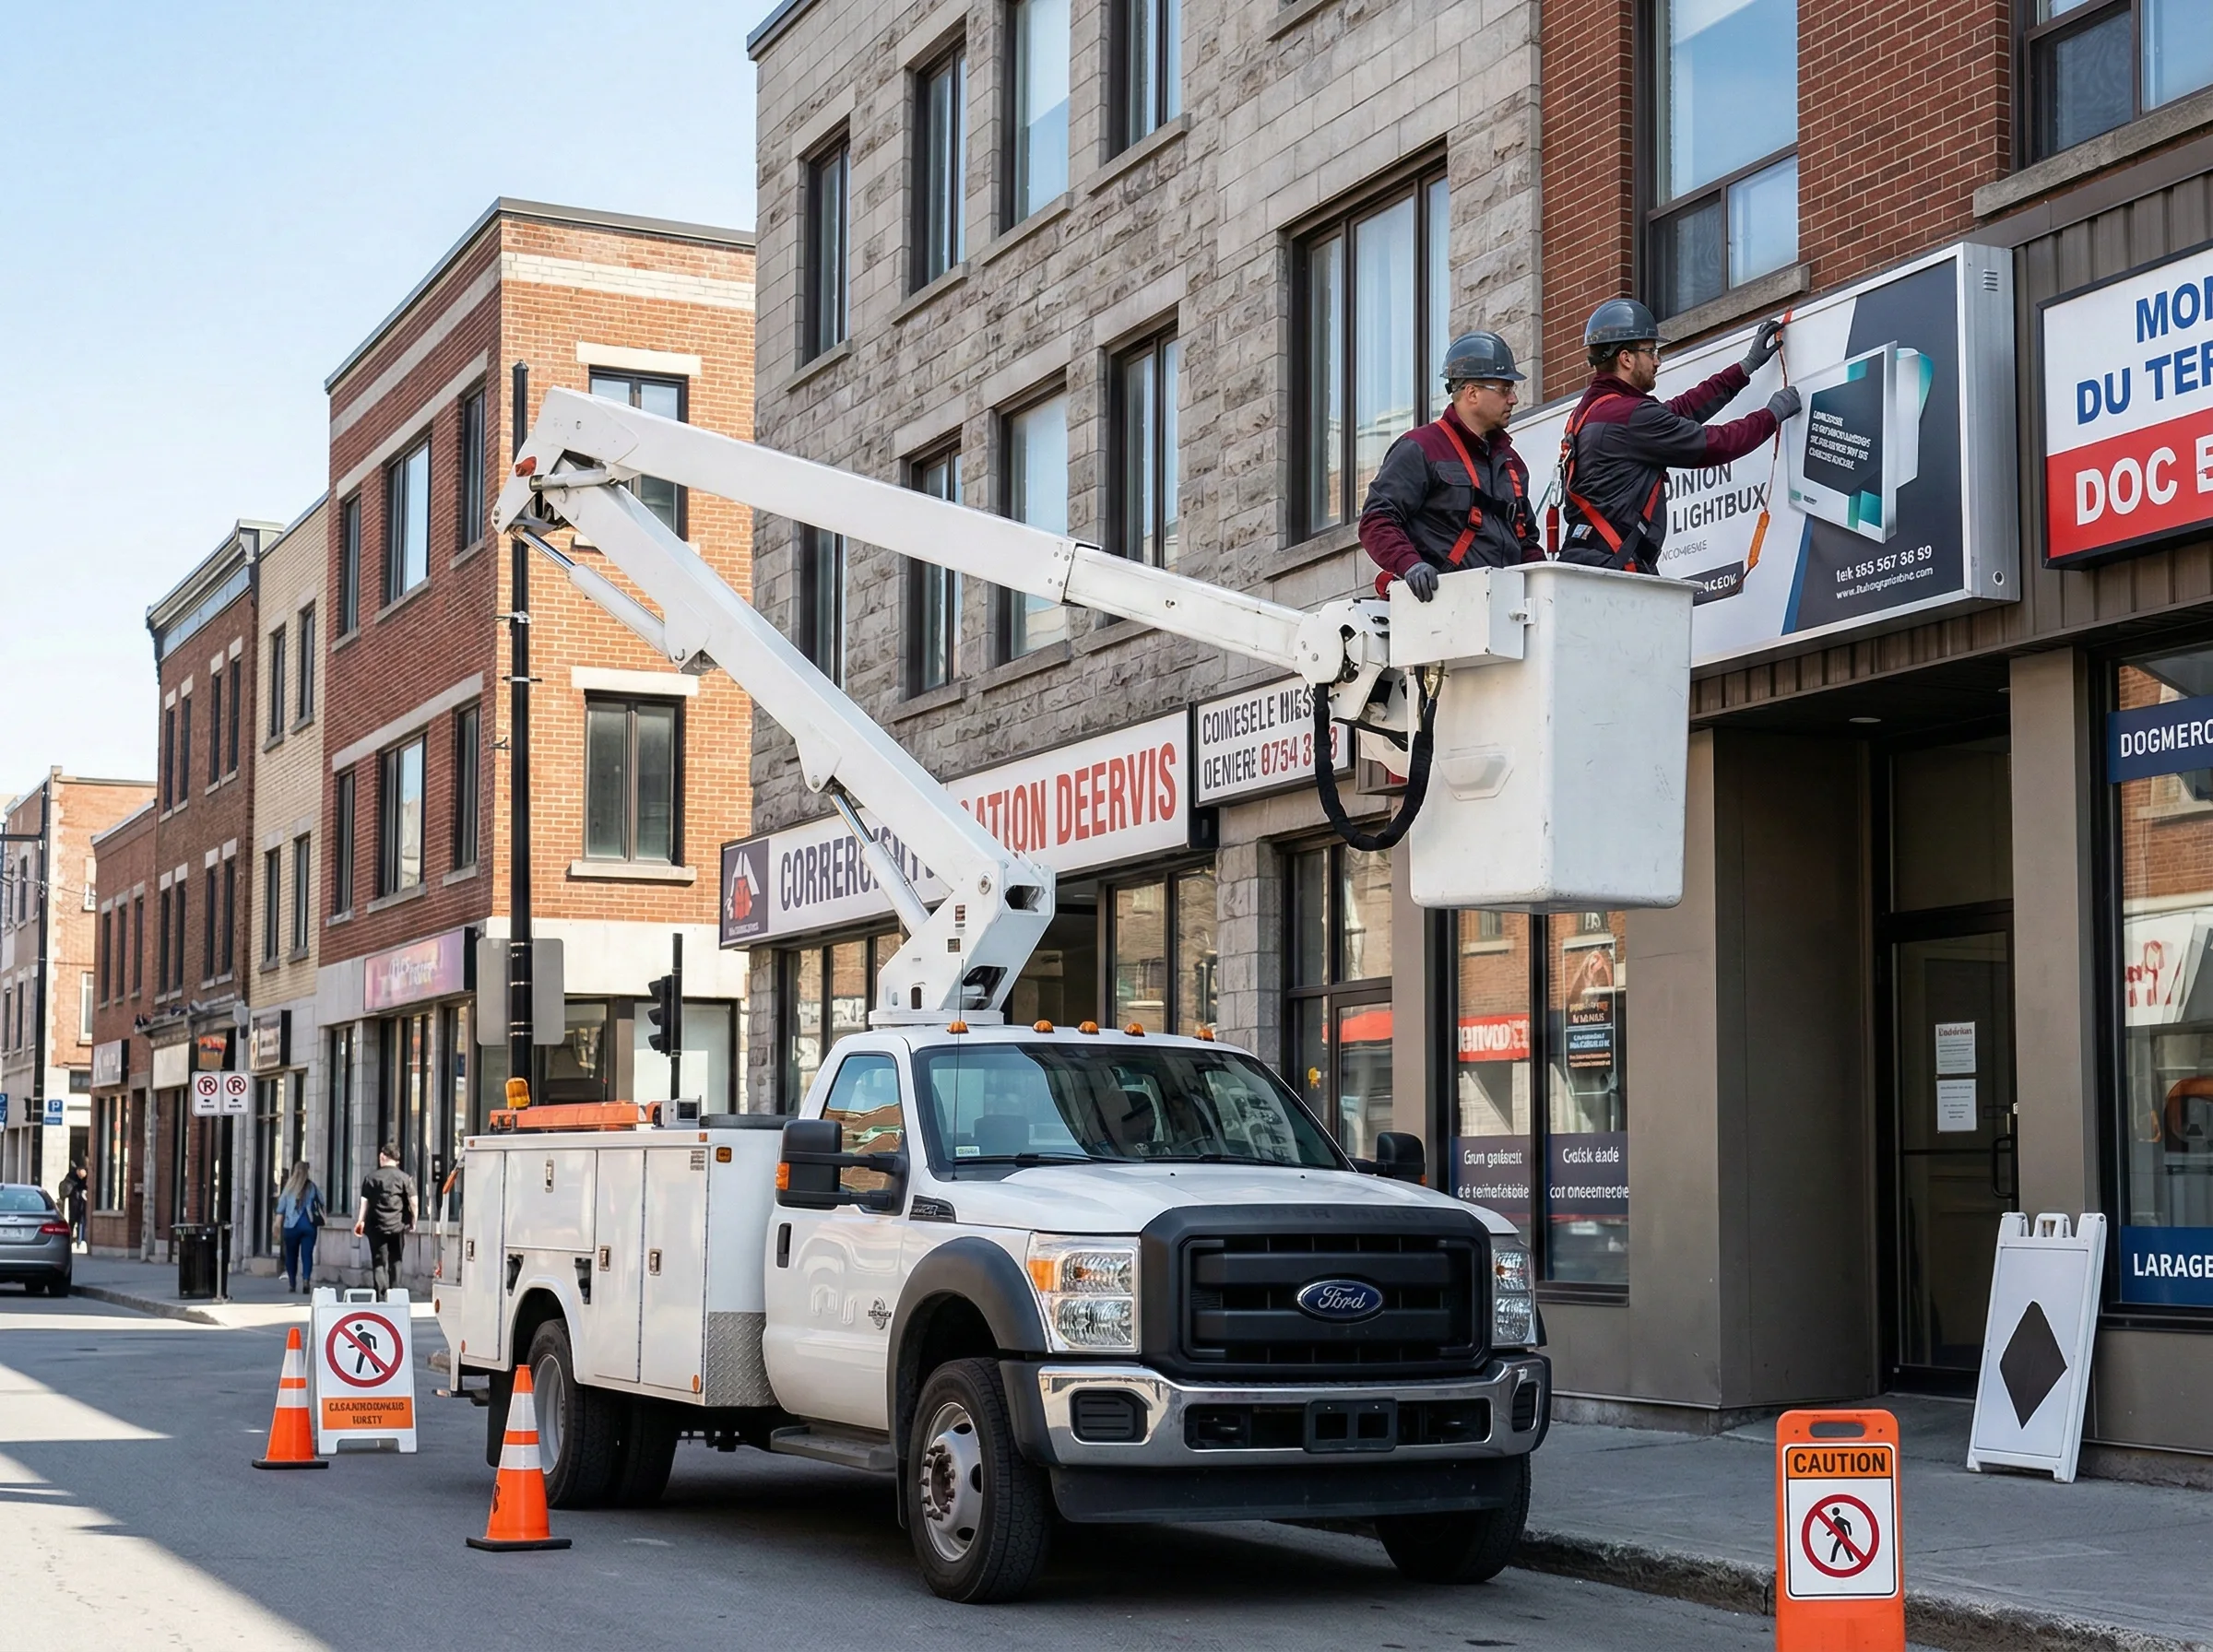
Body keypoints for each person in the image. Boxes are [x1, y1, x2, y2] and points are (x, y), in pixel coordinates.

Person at [1556, 299, 1802, 574]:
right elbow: (1717, 444)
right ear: (1626, 358)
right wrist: (1772, 415)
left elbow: (1680, 410)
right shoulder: (1627, 416)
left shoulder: (1593, 412)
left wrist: (1745, 368)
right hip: (1615, 572)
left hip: (1595, 564)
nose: (1657, 361)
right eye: (1651, 351)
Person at [1359, 330, 1541, 602]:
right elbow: (1377, 521)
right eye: (1505, 390)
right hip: (1440, 611)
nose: (1513, 399)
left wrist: (1547, 585)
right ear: (1472, 393)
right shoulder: (1422, 448)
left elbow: (1526, 543)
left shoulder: (1513, 465)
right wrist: (1410, 565)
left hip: (1504, 614)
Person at [353, 1144, 417, 1297]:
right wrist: (414, 1220)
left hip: (376, 1226)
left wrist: (360, 1220)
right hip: (398, 1225)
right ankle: (395, 1294)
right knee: (396, 1259)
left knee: (378, 1261)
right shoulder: (405, 1178)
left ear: (382, 1157)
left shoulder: (371, 1178)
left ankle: (381, 1294)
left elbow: (364, 1202)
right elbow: (413, 1201)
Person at [275, 1160, 325, 1294]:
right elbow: (322, 1201)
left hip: (291, 1227)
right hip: (308, 1225)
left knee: (291, 1256)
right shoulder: (312, 1187)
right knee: (307, 1255)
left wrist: (277, 1227)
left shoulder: (288, 1188)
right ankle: (306, 1280)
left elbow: (281, 1210)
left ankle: (292, 1283)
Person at [58, 1161, 88, 1249]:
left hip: (82, 1203)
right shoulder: (71, 1176)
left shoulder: (86, 1178)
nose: (81, 1176)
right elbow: (65, 1187)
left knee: (81, 1221)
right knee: (73, 1221)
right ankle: (71, 1240)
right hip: (74, 1202)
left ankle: (80, 1240)